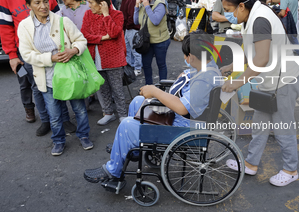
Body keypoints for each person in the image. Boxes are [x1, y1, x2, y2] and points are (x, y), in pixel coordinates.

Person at [83, 32, 222, 184]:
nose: (185, 59)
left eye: (186, 56)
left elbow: (182, 108)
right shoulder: (207, 67)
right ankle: (133, 148)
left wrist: (156, 91)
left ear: (192, 57)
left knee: (126, 125)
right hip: (186, 120)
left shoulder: (204, 80)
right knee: (138, 101)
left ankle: (113, 171)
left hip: (184, 128)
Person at [220, 0, 299, 187]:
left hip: (283, 82)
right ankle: (250, 163)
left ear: (241, 6)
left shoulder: (260, 19)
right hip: (269, 82)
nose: (228, 15)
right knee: (259, 126)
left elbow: (262, 58)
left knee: (283, 127)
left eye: (229, 10)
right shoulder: (251, 16)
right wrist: (231, 66)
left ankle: (291, 170)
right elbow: (253, 50)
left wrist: (238, 83)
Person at [0, 0, 75, 137]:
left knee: (58, 83)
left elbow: (59, 20)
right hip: (28, 52)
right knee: (38, 88)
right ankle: (46, 121)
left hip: (53, 49)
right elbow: (5, 28)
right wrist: (11, 54)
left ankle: (64, 119)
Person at [18, 0, 93, 156]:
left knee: (80, 109)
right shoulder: (25, 26)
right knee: (54, 115)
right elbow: (26, 54)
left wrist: (73, 50)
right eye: (37, 2)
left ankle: (84, 136)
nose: (43, 6)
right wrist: (49, 58)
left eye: (45, 1)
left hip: (70, 76)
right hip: (47, 78)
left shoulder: (62, 21)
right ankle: (58, 140)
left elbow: (81, 40)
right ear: (29, 5)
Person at [81, 0, 127, 125]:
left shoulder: (117, 15)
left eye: (91, 2)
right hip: (95, 59)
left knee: (117, 89)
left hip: (114, 59)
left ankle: (123, 114)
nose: (89, 6)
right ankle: (108, 113)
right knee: (102, 89)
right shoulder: (88, 15)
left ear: (101, 2)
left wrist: (106, 15)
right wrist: (102, 38)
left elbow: (113, 33)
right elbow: (84, 35)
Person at [133, 0, 171, 85]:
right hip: (146, 41)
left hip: (160, 40)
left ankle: (162, 88)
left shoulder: (160, 5)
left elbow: (155, 21)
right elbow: (136, 21)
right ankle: (149, 87)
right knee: (146, 65)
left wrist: (147, 7)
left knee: (161, 64)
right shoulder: (142, 5)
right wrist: (136, 7)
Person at [120, 0, 142, 76]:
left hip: (132, 28)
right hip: (128, 28)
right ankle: (130, 67)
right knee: (128, 49)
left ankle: (137, 68)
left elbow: (131, 16)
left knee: (134, 49)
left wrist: (127, 25)